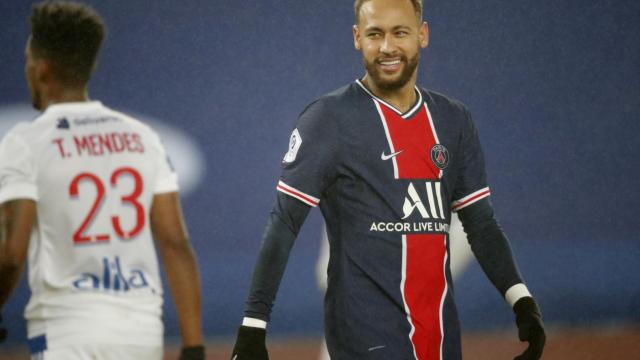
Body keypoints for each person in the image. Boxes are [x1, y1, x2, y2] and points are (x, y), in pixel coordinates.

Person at [231, 0, 546, 359]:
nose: (387, 47)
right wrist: (254, 325)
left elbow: (481, 224)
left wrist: (521, 300)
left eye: (400, 32)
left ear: (422, 35)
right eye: (374, 34)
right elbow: (284, 222)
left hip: (440, 342)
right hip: (362, 343)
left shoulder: (453, 119)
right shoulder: (328, 119)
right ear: (356, 38)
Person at [0, 2, 204, 359]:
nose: (27, 69)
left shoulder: (26, 143)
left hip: (65, 331)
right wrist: (193, 345)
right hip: (139, 333)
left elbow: (12, 256)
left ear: (42, 70)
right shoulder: (142, 138)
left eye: (28, 61)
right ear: (89, 66)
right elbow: (175, 242)